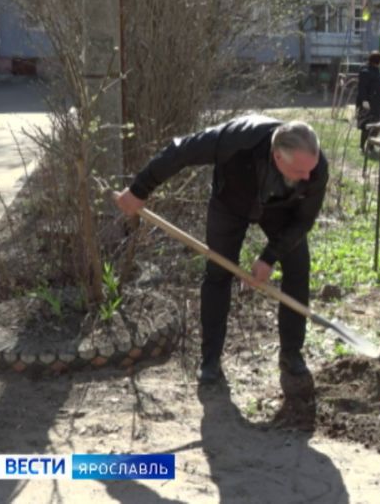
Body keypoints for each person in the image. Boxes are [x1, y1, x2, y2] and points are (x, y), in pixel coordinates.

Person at [115, 116, 329, 384]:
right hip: (231, 201)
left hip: (281, 210)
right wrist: (139, 190)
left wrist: (268, 257)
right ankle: (211, 360)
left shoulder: (315, 167)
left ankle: (291, 353)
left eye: (311, 169)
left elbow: (303, 221)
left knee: (298, 268)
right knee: (218, 273)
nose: (308, 177)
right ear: (277, 157)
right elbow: (181, 151)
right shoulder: (237, 140)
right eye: (300, 172)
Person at [355, 50, 380, 152]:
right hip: (369, 103)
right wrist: (364, 100)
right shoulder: (365, 72)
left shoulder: (376, 71)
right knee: (366, 126)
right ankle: (362, 146)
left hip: (378, 104)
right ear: (378, 61)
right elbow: (362, 87)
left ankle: (371, 146)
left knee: (377, 125)